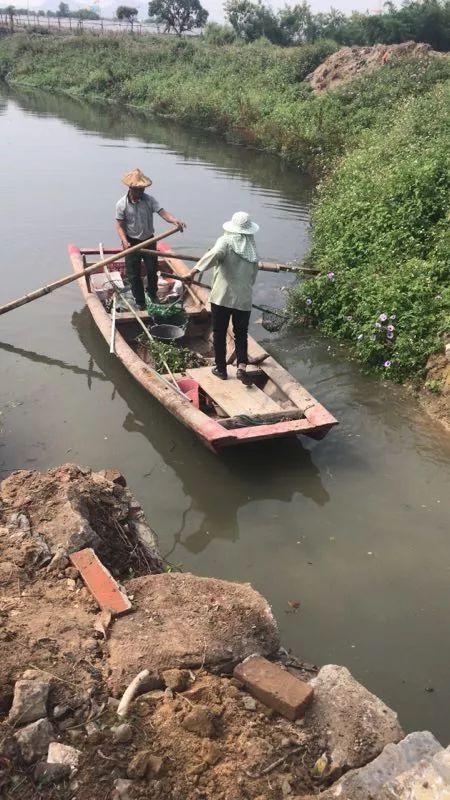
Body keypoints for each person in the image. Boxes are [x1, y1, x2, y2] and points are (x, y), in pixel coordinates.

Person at [187, 211, 259, 385]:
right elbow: (253, 275)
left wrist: (193, 271)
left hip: (222, 297)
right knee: (241, 334)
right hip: (243, 298)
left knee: (219, 332)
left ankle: (221, 369)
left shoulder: (225, 241)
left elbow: (214, 254)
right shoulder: (251, 247)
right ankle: (241, 367)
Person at [115, 169, 186, 310]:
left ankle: (152, 295)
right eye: (138, 189)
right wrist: (124, 240)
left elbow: (163, 213)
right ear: (130, 188)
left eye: (142, 189)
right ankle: (140, 301)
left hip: (149, 240)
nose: (140, 192)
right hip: (131, 243)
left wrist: (174, 220)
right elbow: (119, 226)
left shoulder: (149, 200)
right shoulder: (121, 204)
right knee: (133, 274)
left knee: (152, 270)